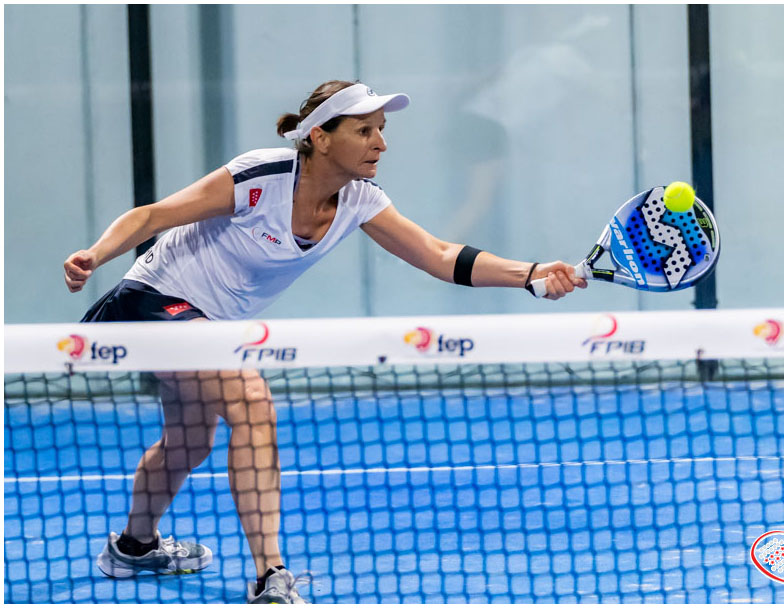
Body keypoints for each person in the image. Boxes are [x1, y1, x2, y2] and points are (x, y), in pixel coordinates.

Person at [63, 80, 586, 604]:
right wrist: (95, 255)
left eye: (381, 129)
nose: (381, 143)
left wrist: (531, 273)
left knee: (189, 441)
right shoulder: (259, 177)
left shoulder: (360, 200)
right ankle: (270, 575)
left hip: (209, 325)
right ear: (320, 136)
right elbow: (151, 216)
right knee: (251, 399)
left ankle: (134, 547)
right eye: (364, 131)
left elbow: (440, 255)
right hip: (153, 300)